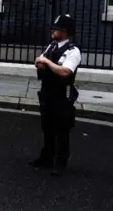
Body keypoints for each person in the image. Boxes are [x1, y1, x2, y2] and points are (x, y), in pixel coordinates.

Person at [30, 14, 82, 177]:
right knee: (47, 126)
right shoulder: (52, 46)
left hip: (62, 94)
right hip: (47, 91)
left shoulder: (73, 51)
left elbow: (65, 71)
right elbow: (39, 61)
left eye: (57, 29)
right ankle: (46, 157)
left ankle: (60, 163)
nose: (53, 30)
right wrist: (41, 63)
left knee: (62, 128)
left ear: (65, 32)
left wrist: (46, 63)